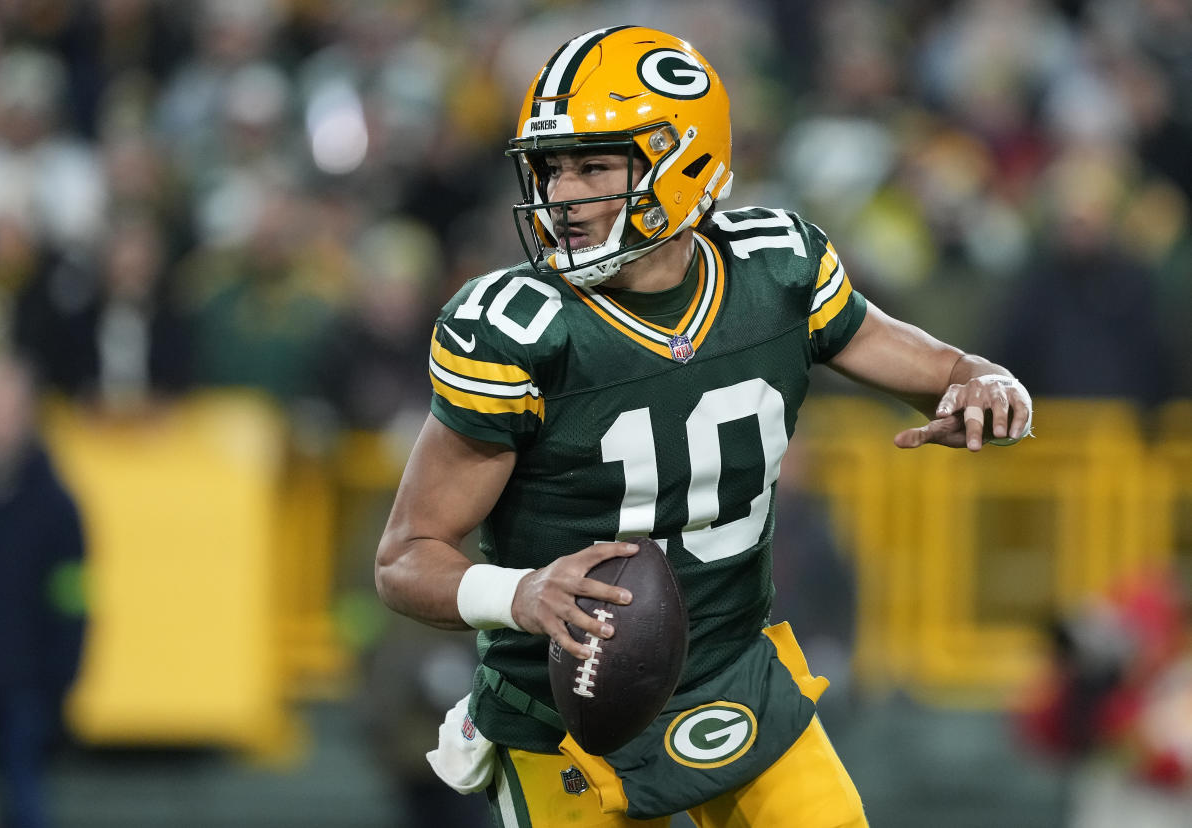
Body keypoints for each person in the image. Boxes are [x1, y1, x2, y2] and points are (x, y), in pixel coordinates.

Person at [375, 26, 1033, 828]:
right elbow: (406, 558)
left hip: (733, 673)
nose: (562, 195)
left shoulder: (776, 268)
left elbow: (944, 370)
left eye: (593, 165)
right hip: (568, 716)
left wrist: (988, 387)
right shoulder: (517, 328)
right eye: (551, 168)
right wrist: (521, 593)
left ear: (683, 162)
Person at [0, 353, 87, 828]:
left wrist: (59, 682)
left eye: (5, 407)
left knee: (25, 804)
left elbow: (74, 603)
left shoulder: (55, 508)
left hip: (24, 690)